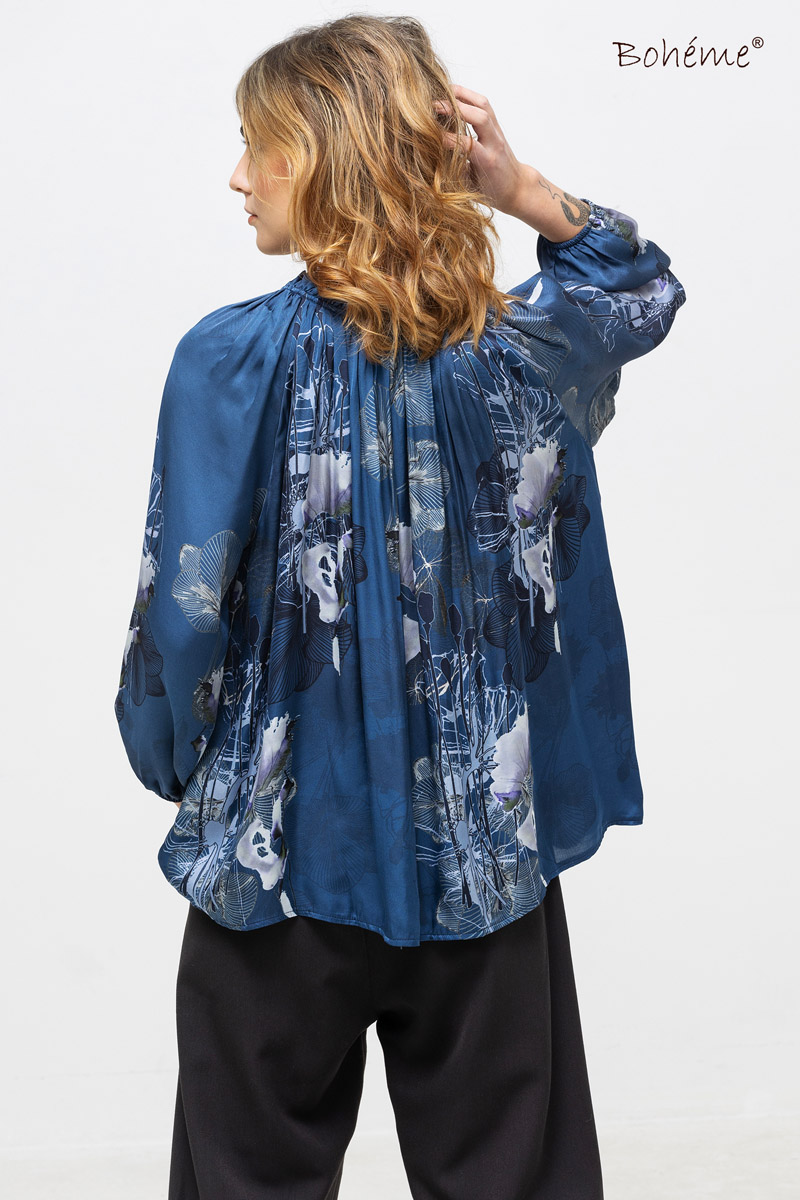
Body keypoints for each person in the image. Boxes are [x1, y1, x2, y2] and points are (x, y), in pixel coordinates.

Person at [113, 13, 687, 1200]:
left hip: (277, 853)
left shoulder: (227, 359)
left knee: (243, 1176)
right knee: (511, 1177)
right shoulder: (521, 354)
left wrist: (174, 758)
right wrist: (519, 190)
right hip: (483, 848)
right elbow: (635, 284)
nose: (236, 176)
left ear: (316, 158)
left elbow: (182, 611)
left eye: (256, 147)